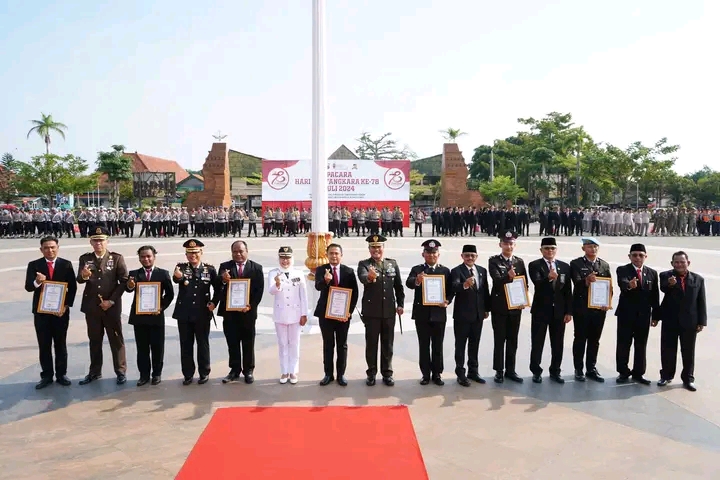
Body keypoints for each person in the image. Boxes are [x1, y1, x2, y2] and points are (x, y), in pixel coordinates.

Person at [77, 226, 129, 385]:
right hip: (92, 307)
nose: (98, 243)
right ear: (90, 242)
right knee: (94, 339)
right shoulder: (85, 259)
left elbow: (124, 281)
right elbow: (79, 280)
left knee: (116, 339)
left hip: (111, 307)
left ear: (107, 241)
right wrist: (84, 276)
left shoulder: (117, 258)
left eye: (101, 240)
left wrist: (111, 300)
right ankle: (95, 371)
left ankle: (120, 371)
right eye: (95, 240)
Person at [24, 236, 78, 389]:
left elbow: (72, 288)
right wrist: (37, 282)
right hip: (41, 313)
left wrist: (65, 306)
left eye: (53, 247)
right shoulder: (34, 265)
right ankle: (46, 375)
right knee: (44, 344)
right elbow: (28, 287)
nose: (50, 250)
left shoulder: (66, 265)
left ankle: (61, 374)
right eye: (46, 248)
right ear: (41, 250)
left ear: (57, 248)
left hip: (60, 312)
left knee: (60, 343)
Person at [357, 234, 405, 386]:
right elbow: (363, 278)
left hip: (389, 311)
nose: (376, 250)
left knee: (387, 344)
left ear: (383, 248)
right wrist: (370, 277)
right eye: (373, 247)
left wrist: (401, 304)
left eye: (379, 247)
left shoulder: (392, 264)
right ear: (369, 249)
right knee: (371, 344)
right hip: (371, 312)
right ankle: (371, 373)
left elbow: (398, 286)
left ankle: (387, 373)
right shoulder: (364, 264)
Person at [171, 239, 220, 385]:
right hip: (184, 313)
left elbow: (218, 288)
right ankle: (188, 374)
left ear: (201, 253)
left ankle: (204, 372)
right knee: (186, 344)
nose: (193, 256)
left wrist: (214, 303)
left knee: (202, 343)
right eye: (189, 253)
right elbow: (176, 278)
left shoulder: (209, 269)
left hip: (202, 313)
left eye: (195, 252)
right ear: (186, 255)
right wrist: (178, 278)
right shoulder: (180, 267)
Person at [656, 251, 706, 391]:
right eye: (676, 262)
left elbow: (701, 301)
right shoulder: (666, 276)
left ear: (688, 263)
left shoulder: (698, 279)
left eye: (682, 262)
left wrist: (701, 321)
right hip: (670, 320)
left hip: (690, 322)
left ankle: (688, 379)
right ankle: (666, 375)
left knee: (688, 351)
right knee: (667, 350)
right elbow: (663, 288)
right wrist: (671, 285)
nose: (679, 264)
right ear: (672, 263)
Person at [125, 246, 175, 386]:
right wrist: (129, 285)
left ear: (154, 257)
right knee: (142, 348)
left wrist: (161, 307)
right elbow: (128, 290)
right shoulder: (134, 274)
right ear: (139, 258)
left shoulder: (163, 274)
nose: (146, 259)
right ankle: (144, 375)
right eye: (142, 257)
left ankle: (157, 374)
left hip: (156, 316)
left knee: (157, 347)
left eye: (148, 256)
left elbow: (170, 295)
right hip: (139, 318)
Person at [405, 239, 453, 385]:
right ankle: (425, 374)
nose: (431, 255)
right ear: (423, 254)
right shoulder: (417, 269)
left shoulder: (445, 271)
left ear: (438, 254)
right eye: (428, 253)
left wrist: (447, 301)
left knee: (438, 344)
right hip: (422, 314)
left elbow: (450, 290)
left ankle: (437, 373)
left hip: (439, 313)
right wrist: (417, 280)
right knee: (424, 345)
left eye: (434, 253)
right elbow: (409, 283)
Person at [217, 240, 265, 384]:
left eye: (241, 251)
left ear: (247, 251)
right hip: (230, 313)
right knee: (232, 342)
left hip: (247, 312)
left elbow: (259, 291)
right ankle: (234, 370)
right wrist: (223, 280)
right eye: (235, 252)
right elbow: (218, 286)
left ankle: (248, 370)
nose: (238, 254)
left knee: (248, 342)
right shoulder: (225, 267)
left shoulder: (256, 268)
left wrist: (251, 305)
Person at [527, 237, 572, 384]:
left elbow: (567, 291)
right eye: (546, 248)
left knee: (558, 342)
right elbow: (537, 285)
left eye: (552, 248)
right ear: (541, 250)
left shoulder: (565, 267)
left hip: (559, 311)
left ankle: (555, 371)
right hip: (541, 310)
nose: (550, 251)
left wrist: (568, 311)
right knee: (538, 342)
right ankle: (536, 371)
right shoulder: (534, 265)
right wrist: (549, 279)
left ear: (556, 250)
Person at [614, 243, 659, 385]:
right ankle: (623, 371)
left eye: (641, 255)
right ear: (629, 256)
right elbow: (622, 283)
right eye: (634, 255)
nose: (638, 258)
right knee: (623, 343)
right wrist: (629, 285)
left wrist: (656, 315)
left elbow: (655, 296)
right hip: (626, 314)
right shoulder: (623, 269)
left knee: (641, 344)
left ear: (645, 256)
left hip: (644, 316)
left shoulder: (652, 273)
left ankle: (638, 373)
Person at [314, 243, 359, 386]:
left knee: (342, 344)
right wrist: (326, 280)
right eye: (331, 253)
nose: (334, 256)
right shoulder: (321, 269)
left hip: (343, 315)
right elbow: (318, 287)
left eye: (336, 253)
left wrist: (349, 311)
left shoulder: (349, 271)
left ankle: (341, 374)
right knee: (328, 344)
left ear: (341, 255)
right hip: (326, 314)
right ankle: (328, 374)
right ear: (327, 255)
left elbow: (355, 293)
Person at [569, 237, 612, 382]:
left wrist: (608, 301)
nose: (592, 249)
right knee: (580, 338)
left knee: (595, 340)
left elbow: (609, 286)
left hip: (599, 309)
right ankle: (578, 368)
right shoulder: (576, 264)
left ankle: (591, 368)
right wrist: (586, 281)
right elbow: (576, 282)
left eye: (595, 247)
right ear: (583, 248)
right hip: (582, 308)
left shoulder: (604, 265)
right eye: (589, 246)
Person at [488, 230, 528, 383]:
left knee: (513, 339)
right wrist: (508, 276)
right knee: (499, 339)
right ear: (500, 244)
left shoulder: (519, 262)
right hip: (499, 306)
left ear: (515, 245)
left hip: (515, 307)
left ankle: (511, 370)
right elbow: (496, 281)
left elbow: (525, 283)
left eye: (511, 243)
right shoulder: (494, 261)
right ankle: (499, 370)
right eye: (506, 243)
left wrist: (524, 299)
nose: (509, 246)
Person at [450, 245, 491, 386]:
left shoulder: (482, 271)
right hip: (462, 316)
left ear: (476, 257)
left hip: (478, 315)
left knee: (475, 344)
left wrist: (486, 309)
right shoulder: (456, 271)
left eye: (472, 255)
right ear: (462, 256)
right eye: (467, 255)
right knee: (460, 345)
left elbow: (485, 291)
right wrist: (465, 285)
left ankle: (473, 371)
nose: (470, 258)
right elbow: (453, 287)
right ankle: (460, 373)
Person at [267, 247, 308, 384]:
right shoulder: (273, 273)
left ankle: (293, 371)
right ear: (279, 259)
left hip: (296, 314)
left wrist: (304, 314)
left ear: (292, 258)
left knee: (294, 343)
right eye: (282, 258)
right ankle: (284, 371)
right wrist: (277, 284)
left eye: (287, 258)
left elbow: (303, 295)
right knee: (283, 344)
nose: (285, 261)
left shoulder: (299, 273)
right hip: (280, 314)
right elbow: (271, 291)